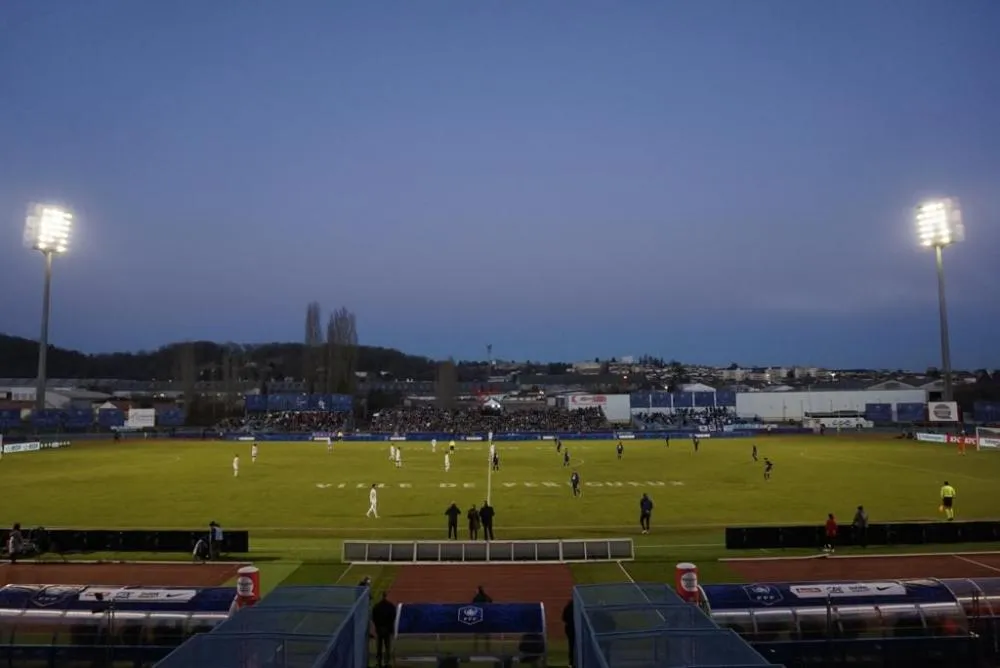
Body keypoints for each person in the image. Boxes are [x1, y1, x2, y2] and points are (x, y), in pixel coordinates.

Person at [371, 592, 396, 668]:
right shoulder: (391, 606)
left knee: (379, 647)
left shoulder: (377, 606)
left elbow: (374, 617)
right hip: (387, 629)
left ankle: (379, 662)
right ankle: (386, 663)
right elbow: (393, 617)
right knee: (387, 646)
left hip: (379, 629)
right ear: (387, 596)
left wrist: (377, 626)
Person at [562, 600, 576, 668]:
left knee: (571, 645)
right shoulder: (579, 606)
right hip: (576, 629)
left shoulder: (568, 607)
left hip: (570, 629)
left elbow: (564, 618)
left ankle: (571, 662)